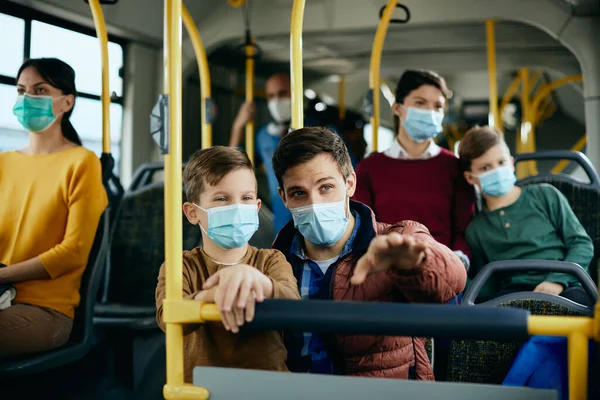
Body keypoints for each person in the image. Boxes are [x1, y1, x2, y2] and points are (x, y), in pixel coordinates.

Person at [271, 126, 466, 379]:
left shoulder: (396, 241)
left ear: (350, 183)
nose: (315, 204)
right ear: (283, 198)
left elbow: (453, 279)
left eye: (326, 187)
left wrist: (416, 262)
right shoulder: (274, 263)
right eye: (299, 193)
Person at [155, 146, 300, 383]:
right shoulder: (179, 266)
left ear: (256, 207)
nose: (237, 208)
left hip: (269, 388)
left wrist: (256, 281)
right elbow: (168, 319)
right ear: (193, 213)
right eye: (222, 199)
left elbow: (293, 306)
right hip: (201, 390)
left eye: (246, 198)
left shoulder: (271, 260)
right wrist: (213, 294)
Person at [0, 58, 107, 358]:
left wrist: (3, 277)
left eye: (39, 90)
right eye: (21, 91)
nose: (26, 99)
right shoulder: (4, 163)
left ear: (66, 103)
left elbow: (72, 252)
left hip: (45, 310)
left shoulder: (82, 163)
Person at [354, 70, 474, 270]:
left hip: (442, 268)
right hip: (385, 269)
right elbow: (361, 229)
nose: (430, 112)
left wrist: (456, 263)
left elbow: (465, 231)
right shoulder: (369, 168)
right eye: (420, 103)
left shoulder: (454, 166)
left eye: (437, 106)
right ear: (397, 108)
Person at [459, 126, 594, 304]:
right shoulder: (476, 230)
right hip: (512, 294)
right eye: (485, 167)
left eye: (501, 162)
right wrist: (455, 277)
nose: (497, 171)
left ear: (512, 162)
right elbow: (487, 287)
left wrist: (556, 280)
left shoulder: (545, 195)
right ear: (470, 178)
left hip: (566, 286)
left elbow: (581, 243)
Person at [229, 73, 296, 233]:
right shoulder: (264, 136)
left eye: (282, 93)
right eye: (271, 96)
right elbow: (234, 167)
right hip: (282, 222)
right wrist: (238, 127)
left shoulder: (321, 131)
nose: (277, 101)